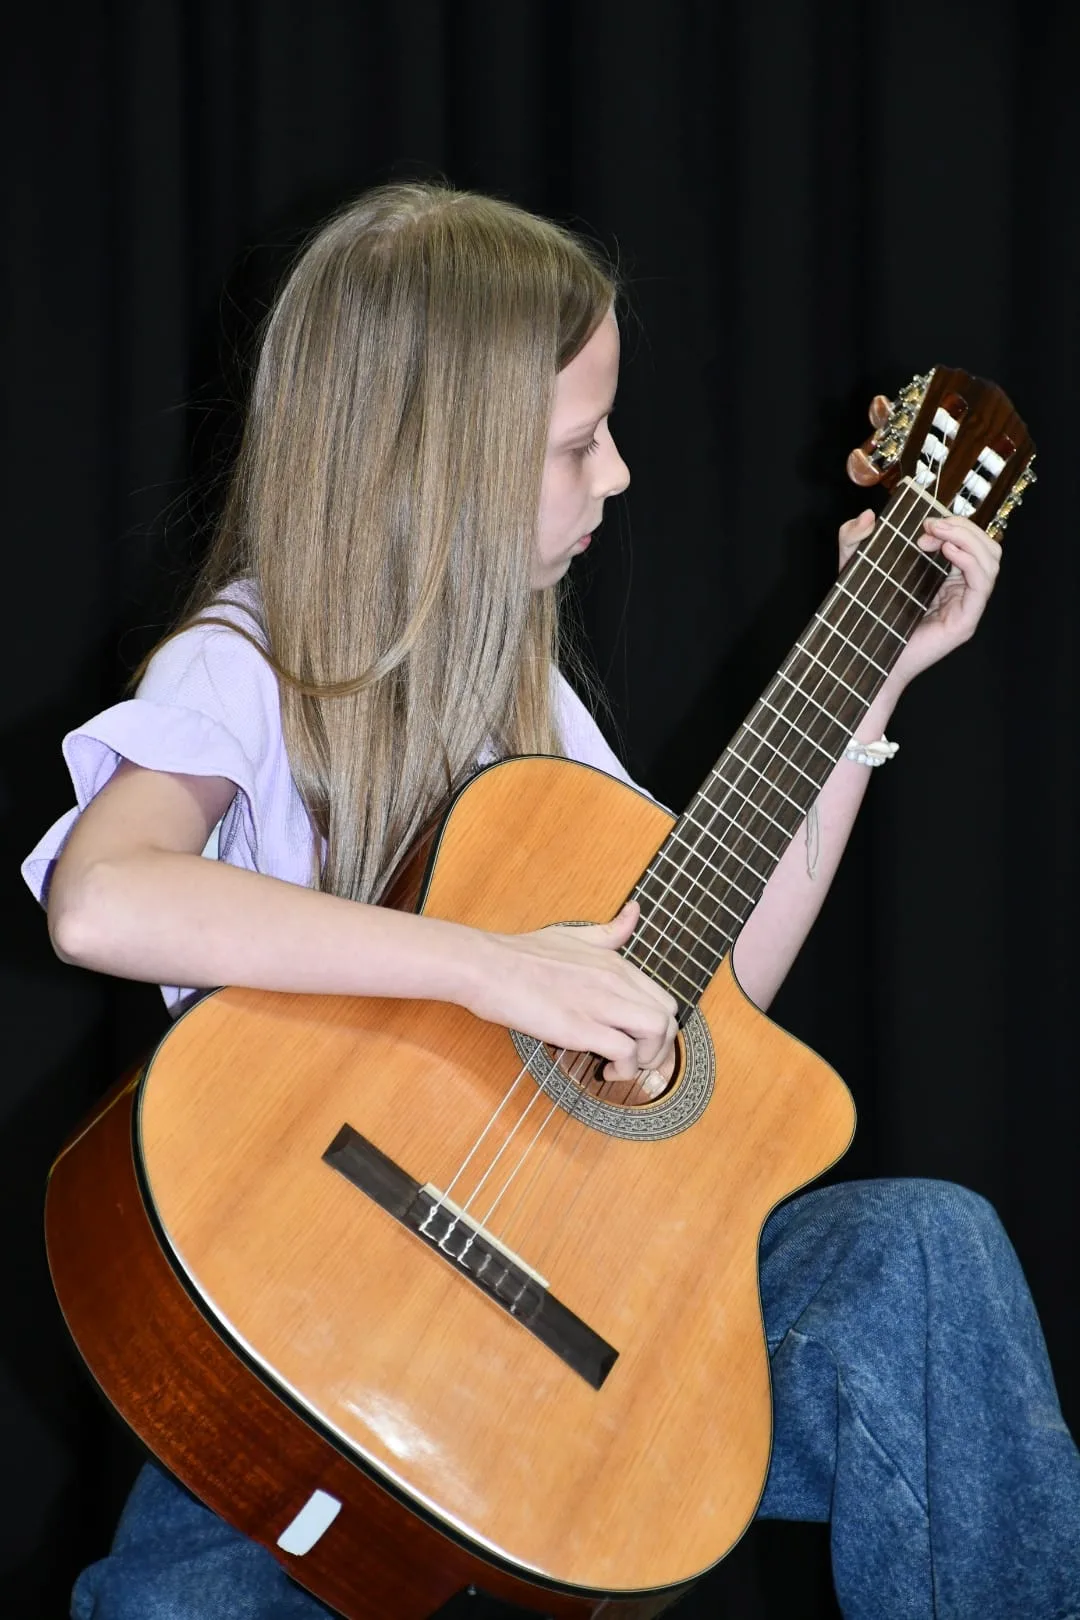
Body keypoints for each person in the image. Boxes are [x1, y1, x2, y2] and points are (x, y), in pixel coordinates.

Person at [22, 183, 1080, 1620]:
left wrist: (869, 681)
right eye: (581, 442)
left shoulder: (530, 703)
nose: (621, 475)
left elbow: (702, 989)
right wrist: (492, 967)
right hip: (309, 1335)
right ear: (436, 457)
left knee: (923, 1256)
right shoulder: (247, 661)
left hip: (573, 1331)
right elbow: (103, 899)